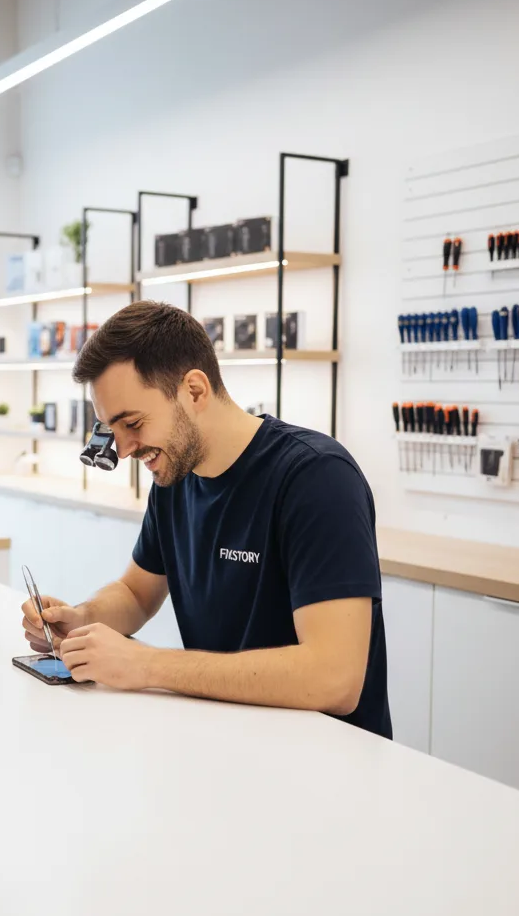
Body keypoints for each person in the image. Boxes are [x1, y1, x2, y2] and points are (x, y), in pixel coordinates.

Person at [21, 300, 391, 738]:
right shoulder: (174, 478)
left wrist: (148, 665)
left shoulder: (316, 478)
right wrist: (83, 618)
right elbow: (137, 594)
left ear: (194, 390)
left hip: (327, 763)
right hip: (225, 742)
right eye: (111, 431)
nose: (122, 450)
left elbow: (335, 678)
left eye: (133, 423)